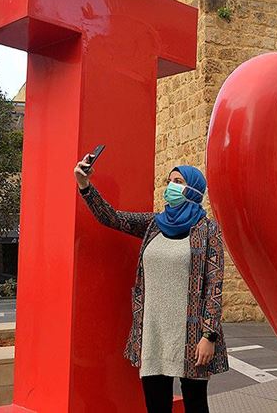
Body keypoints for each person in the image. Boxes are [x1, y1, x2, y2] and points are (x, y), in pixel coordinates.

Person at [74, 156, 229, 413]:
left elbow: (214, 286)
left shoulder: (207, 229)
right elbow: (111, 218)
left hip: (191, 336)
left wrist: (208, 335)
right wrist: (85, 185)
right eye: (169, 181)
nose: (171, 186)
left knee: (196, 405)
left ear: (194, 188)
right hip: (153, 333)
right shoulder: (154, 224)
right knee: (156, 406)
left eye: (178, 181)